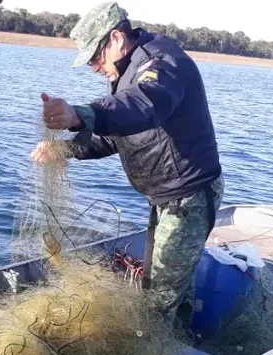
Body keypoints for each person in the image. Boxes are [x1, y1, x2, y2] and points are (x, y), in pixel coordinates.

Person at [32, 2, 224, 324]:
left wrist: (82, 114)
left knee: (158, 301)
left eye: (95, 56)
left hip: (188, 197)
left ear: (117, 40)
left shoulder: (162, 64)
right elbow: (115, 136)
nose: (94, 67)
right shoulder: (124, 74)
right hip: (164, 198)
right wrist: (65, 150)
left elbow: (144, 104)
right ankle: (186, 333)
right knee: (164, 284)